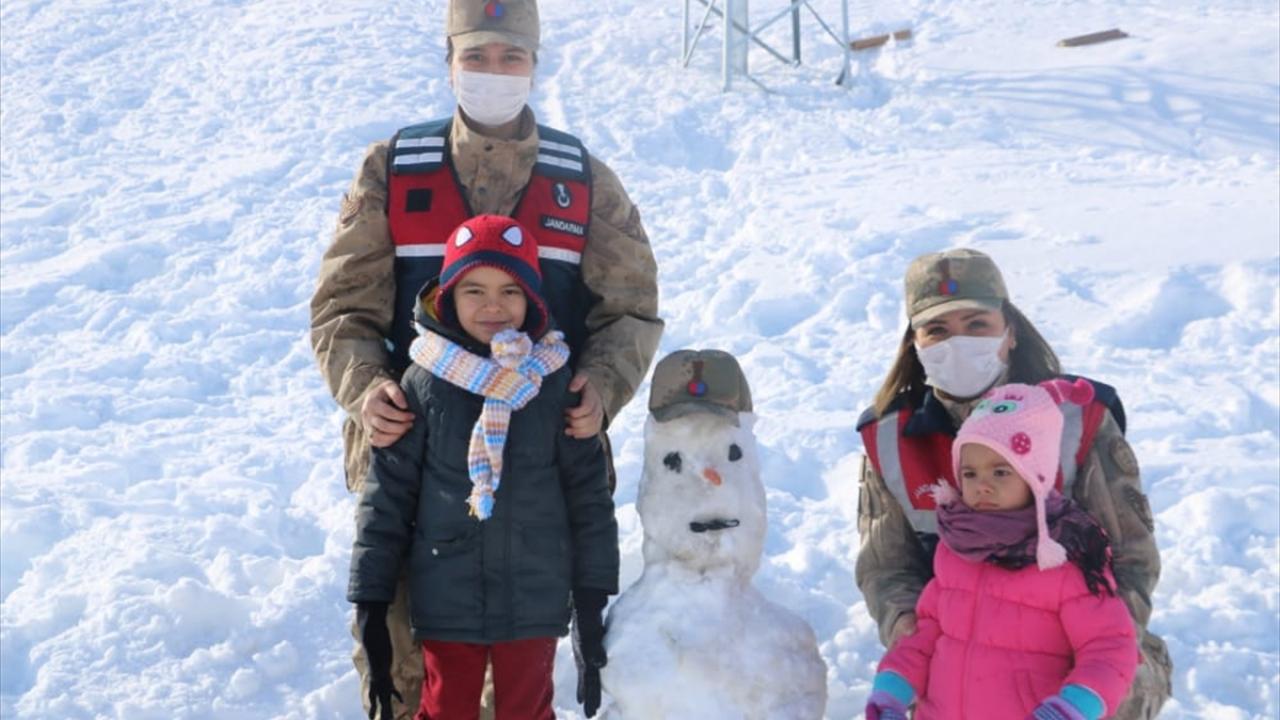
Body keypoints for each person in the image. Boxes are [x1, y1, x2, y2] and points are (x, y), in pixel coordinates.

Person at [310, 0, 661, 714]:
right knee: (404, 668)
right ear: (449, 62)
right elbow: (341, 308)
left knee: (518, 674)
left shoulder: (583, 179)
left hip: (538, 467)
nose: (494, 72)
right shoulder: (392, 168)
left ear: (534, 64)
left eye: (511, 57)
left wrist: (601, 384)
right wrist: (365, 388)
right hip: (411, 458)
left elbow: (629, 308)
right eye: (477, 56)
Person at [855, 248, 1172, 719]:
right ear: (915, 345)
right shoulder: (889, 436)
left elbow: (1130, 556)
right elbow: (887, 568)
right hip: (955, 636)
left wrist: (1088, 663)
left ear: (1010, 333)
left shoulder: (1078, 418)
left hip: (1078, 639)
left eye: (976, 324)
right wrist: (912, 634)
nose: (956, 341)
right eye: (937, 330)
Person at [348, 215, 619, 720]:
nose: (493, 305)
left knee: (526, 711)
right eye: (474, 289)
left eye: (510, 290)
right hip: (446, 593)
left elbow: (588, 498)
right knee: (445, 708)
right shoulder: (422, 383)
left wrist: (591, 594)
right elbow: (386, 500)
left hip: (535, 595)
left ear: (533, 301)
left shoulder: (555, 384)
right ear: (447, 297)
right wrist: (371, 600)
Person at [865, 379, 1139, 719]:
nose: (982, 485)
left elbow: (1109, 647)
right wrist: (891, 693)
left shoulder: (1063, 558)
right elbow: (926, 637)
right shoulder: (956, 551)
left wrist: (1073, 708)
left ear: (1034, 476)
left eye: (1000, 471)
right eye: (969, 472)